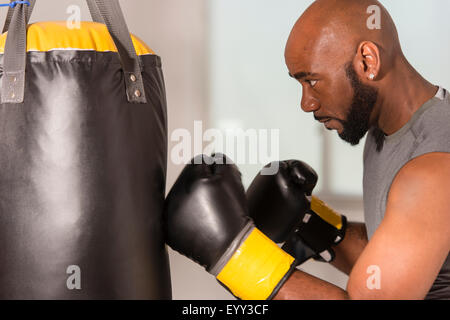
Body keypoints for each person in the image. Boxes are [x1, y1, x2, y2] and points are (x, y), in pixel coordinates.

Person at [164, 0, 450, 300]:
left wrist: (232, 253)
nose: (307, 104)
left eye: (312, 81)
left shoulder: (432, 167)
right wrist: (313, 225)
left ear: (368, 61)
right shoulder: (389, 133)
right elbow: (397, 268)